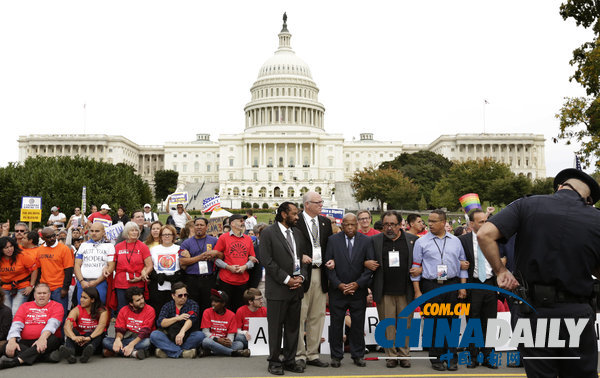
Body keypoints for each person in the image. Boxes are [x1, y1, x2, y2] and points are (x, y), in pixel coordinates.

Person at [477, 168, 600, 378]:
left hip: (533, 312)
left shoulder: (527, 204)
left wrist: (501, 271)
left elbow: (484, 234)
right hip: (577, 310)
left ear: (560, 187)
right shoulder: (596, 218)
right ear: (588, 199)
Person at [411, 209, 468, 371]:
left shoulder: (456, 241)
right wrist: (417, 291)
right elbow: (415, 268)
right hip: (430, 285)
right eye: (428, 221)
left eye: (434, 221)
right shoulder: (421, 242)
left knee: (451, 321)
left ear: (443, 223)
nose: (429, 224)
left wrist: (462, 287)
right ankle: (436, 358)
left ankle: (451, 357)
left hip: (452, 284)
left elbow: (463, 264)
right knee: (432, 322)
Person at [364, 210, 419, 368]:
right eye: (386, 225)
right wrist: (365, 263)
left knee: (405, 325)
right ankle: (391, 356)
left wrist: (420, 270)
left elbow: (422, 260)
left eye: (392, 225)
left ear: (400, 225)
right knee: (388, 325)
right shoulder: (374, 241)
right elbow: (363, 258)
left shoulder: (413, 240)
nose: (389, 228)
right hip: (384, 290)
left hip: (405, 290)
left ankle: (404, 355)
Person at [260, 202, 307, 375]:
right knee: (275, 328)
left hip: (296, 288)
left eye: (297, 213)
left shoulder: (298, 233)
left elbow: (302, 260)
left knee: (293, 328)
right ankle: (273, 361)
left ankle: (289, 360)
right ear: (283, 214)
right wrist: (287, 279)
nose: (297, 217)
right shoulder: (268, 233)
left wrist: (301, 277)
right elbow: (267, 260)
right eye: (294, 214)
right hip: (278, 290)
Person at [325, 213, 373, 368]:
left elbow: (370, 268)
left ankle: (358, 355)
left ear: (357, 224)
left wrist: (357, 284)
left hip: (358, 291)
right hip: (338, 291)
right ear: (342, 224)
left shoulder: (366, 241)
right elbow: (328, 266)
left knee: (358, 325)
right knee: (336, 324)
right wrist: (339, 285)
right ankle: (336, 356)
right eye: (347, 225)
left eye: (353, 224)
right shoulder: (332, 240)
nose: (350, 228)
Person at [294, 191, 333, 369]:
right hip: (302, 273)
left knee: (317, 315)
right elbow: (288, 245)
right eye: (317, 202)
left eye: (321, 202)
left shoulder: (325, 222)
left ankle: (313, 353)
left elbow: (329, 246)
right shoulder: (296, 221)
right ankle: (299, 354)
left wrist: (332, 259)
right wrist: (299, 256)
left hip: (321, 272)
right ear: (307, 204)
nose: (321, 205)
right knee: (300, 314)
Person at [458, 208, 497, 369]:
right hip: (472, 285)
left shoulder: (494, 238)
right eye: (481, 221)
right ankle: (473, 357)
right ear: (471, 223)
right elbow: (456, 259)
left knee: (490, 322)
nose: (484, 224)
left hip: (490, 284)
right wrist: (459, 264)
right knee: (473, 322)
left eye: (486, 221)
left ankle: (489, 356)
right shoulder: (463, 240)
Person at [0, 283, 64, 369]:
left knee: (53, 339)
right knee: (6, 346)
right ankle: (45, 357)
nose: (42, 296)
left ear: (49, 295)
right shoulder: (25, 306)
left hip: (47, 339)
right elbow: (16, 324)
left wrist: (42, 338)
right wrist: (12, 340)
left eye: (44, 293)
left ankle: (15, 362)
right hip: (26, 341)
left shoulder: (57, 306)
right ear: (34, 295)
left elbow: (52, 325)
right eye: (39, 293)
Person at [214, 214, 257, 312]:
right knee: (225, 309)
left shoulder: (248, 239)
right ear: (232, 223)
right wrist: (228, 267)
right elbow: (215, 259)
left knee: (240, 309)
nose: (243, 222)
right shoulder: (223, 238)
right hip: (226, 281)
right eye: (240, 220)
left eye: (243, 221)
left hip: (243, 281)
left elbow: (253, 259)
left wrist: (245, 267)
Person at [150, 282, 204, 358]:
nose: (183, 297)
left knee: (200, 335)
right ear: (173, 296)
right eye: (180, 295)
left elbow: (191, 319)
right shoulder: (167, 306)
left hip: (186, 335)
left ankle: (168, 351)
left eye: (185, 295)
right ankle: (183, 353)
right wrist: (177, 318)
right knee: (154, 335)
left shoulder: (192, 304)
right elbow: (161, 322)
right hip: (170, 337)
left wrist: (182, 332)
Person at [102, 286, 155, 359]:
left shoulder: (150, 310)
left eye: (142, 298)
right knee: (105, 341)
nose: (142, 301)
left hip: (141, 339)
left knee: (148, 342)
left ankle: (116, 352)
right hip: (126, 338)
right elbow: (120, 329)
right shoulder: (123, 310)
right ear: (131, 303)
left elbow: (145, 331)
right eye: (138, 300)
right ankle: (134, 353)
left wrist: (131, 344)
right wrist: (118, 340)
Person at [179, 217, 219, 313]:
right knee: (192, 306)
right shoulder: (186, 243)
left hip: (208, 279)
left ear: (207, 227)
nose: (199, 227)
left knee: (207, 306)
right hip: (192, 279)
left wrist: (216, 253)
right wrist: (199, 257)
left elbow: (222, 255)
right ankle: (194, 327)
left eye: (201, 225)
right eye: (197, 225)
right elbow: (182, 262)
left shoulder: (214, 241)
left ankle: (206, 327)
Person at [60, 286, 109, 363]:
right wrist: (74, 337)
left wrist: (89, 337)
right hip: (80, 338)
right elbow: (67, 325)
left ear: (92, 300)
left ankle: (86, 354)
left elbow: (101, 326)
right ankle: (70, 355)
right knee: (72, 331)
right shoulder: (76, 309)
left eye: (85, 298)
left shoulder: (102, 310)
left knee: (100, 334)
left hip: (93, 339)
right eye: (81, 297)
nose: (81, 300)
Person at [112, 222, 153, 311]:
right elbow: (112, 264)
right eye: (132, 230)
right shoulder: (118, 247)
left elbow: (149, 265)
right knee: (123, 309)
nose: (135, 232)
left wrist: (142, 276)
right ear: (127, 232)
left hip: (138, 282)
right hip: (121, 283)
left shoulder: (143, 246)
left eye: (136, 230)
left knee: (138, 308)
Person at [37, 227, 74, 321]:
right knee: (45, 315)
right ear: (43, 238)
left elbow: (69, 270)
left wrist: (65, 288)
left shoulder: (64, 249)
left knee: (60, 315)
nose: (52, 238)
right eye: (48, 237)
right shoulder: (40, 249)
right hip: (45, 288)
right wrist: (38, 286)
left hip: (59, 288)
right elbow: (38, 269)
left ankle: (61, 335)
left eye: (53, 236)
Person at [74, 223, 115, 304]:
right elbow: (77, 265)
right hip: (83, 282)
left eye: (97, 231)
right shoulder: (83, 245)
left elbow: (111, 266)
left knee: (99, 308)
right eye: (92, 231)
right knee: (82, 309)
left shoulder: (109, 246)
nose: (94, 233)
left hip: (100, 283)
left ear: (103, 232)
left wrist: (96, 282)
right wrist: (82, 281)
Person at [201, 289, 250, 357]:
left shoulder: (231, 315)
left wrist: (228, 342)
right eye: (212, 301)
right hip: (213, 340)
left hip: (224, 342)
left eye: (216, 301)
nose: (213, 303)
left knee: (239, 344)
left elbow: (231, 335)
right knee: (206, 341)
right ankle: (232, 353)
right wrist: (217, 340)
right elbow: (205, 332)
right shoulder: (207, 312)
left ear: (223, 303)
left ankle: (211, 352)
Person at [0, 237, 38, 316]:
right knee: (7, 312)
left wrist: (31, 285)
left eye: (11, 246)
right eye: (6, 248)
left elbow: (34, 269)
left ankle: (16, 328)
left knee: (15, 312)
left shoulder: (22, 256)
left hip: (22, 287)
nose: (10, 249)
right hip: (5, 287)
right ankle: (7, 328)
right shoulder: (1, 259)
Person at [148, 225, 182, 312]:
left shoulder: (179, 249)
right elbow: (150, 266)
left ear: (174, 236)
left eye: (169, 234)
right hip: (158, 285)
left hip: (174, 285)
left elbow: (182, 266)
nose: (167, 236)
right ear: (160, 236)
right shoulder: (154, 250)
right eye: (164, 234)